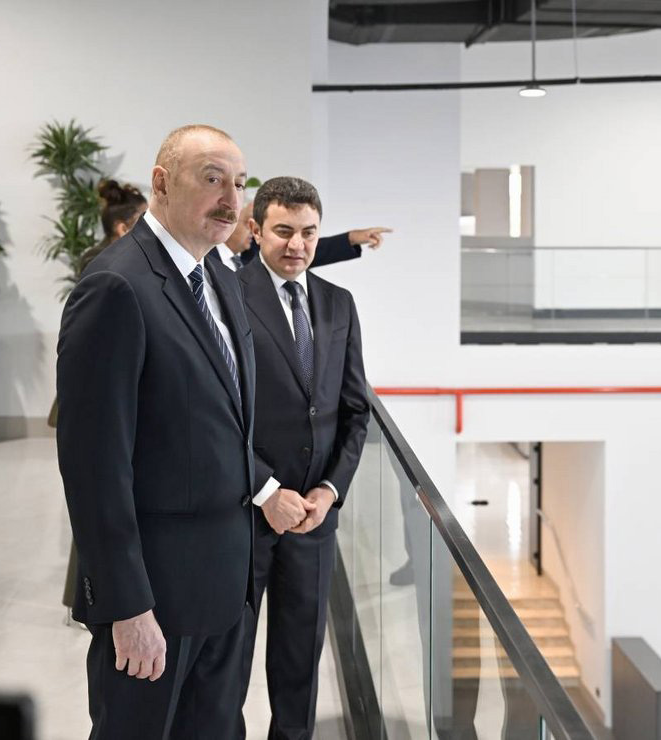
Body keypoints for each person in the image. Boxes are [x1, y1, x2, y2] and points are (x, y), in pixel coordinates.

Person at [56, 124, 257, 740]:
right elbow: (94, 468)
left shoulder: (221, 277)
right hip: (155, 600)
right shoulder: (116, 286)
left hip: (227, 589)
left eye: (238, 183)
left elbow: (227, 422)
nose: (230, 199)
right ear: (161, 183)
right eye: (213, 179)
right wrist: (128, 607)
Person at [236, 176, 369, 738]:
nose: (297, 245)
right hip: (244, 512)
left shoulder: (339, 304)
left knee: (300, 667)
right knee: (227, 665)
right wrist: (267, 490)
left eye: (309, 233)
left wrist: (329, 491)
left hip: (313, 521)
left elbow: (355, 410)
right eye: (284, 231)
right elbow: (217, 416)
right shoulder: (227, 295)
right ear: (256, 230)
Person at [58, 179, 149, 613]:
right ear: (122, 228)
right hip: (101, 391)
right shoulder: (107, 270)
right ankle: (92, 593)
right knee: (98, 501)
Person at [218, 199, 390, 271]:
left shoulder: (254, 256)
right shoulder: (207, 260)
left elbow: (308, 252)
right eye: (247, 224)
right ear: (225, 223)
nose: (255, 231)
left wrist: (351, 238)